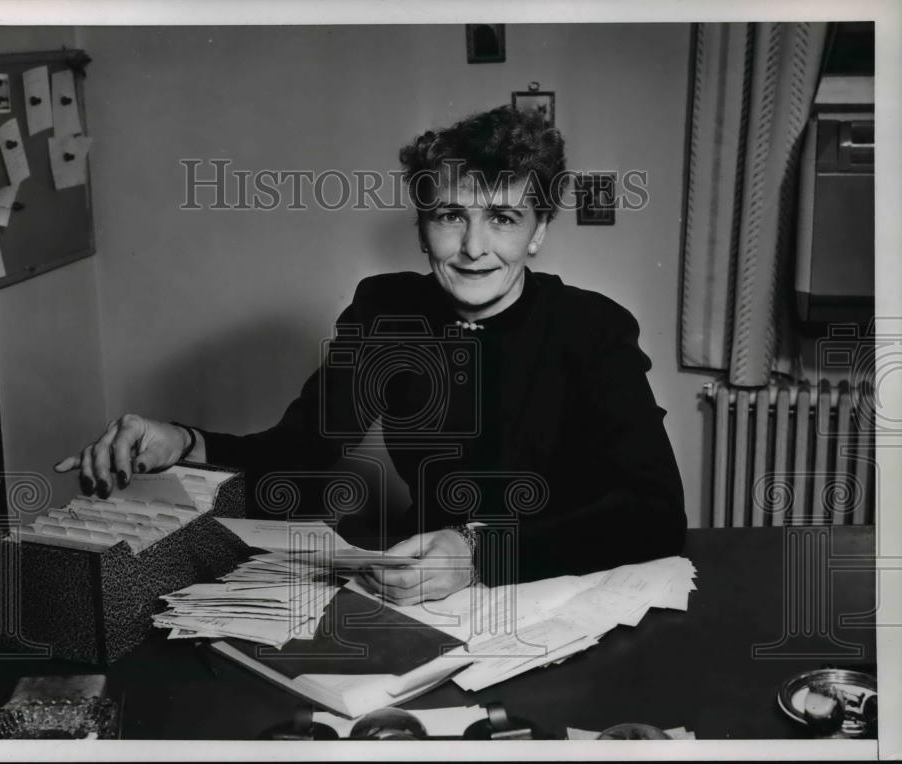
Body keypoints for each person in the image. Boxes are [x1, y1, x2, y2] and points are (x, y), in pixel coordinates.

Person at [55, 105, 686, 604]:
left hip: (569, 588)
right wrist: (185, 441)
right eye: (448, 216)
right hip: (428, 596)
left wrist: (478, 555)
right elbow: (298, 454)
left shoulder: (593, 328)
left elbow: (655, 513)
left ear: (538, 230)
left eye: (501, 218)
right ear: (422, 227)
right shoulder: (387, 313)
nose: (472, 247)